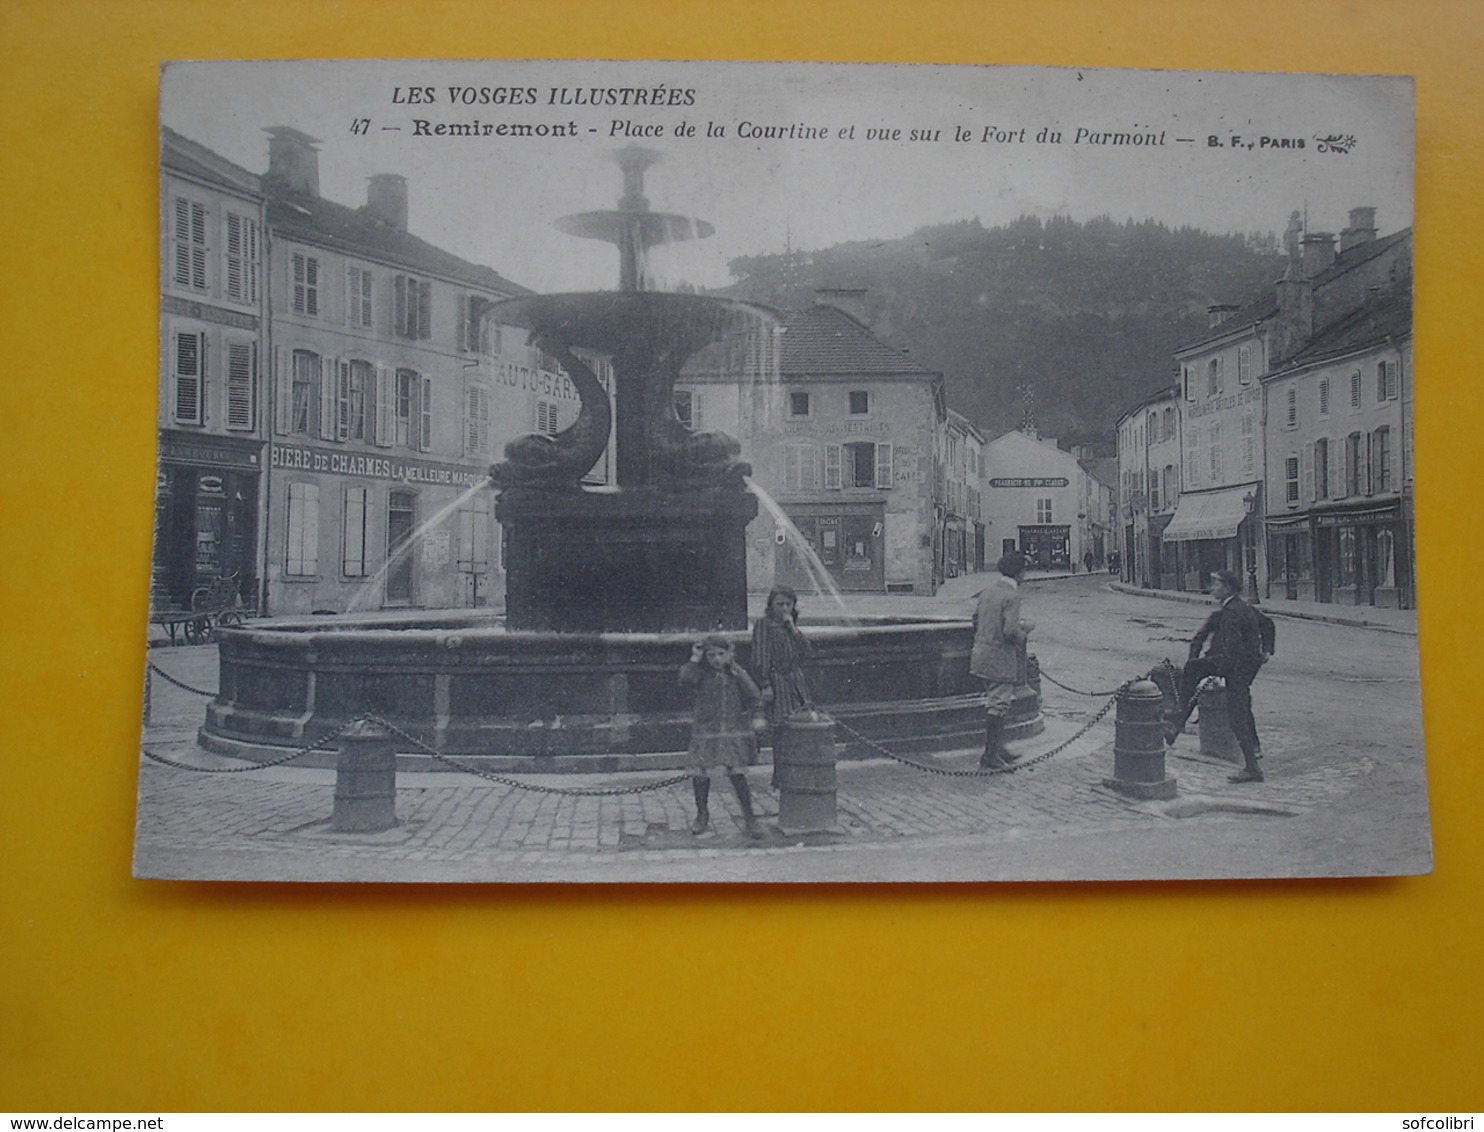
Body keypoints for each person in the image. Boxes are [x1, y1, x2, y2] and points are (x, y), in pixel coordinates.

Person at [1163, 568, 1268, 783]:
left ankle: (1252, 768)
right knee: (1194, 669)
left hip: (1236, 670)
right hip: (1242, 668)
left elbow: (1231, 650)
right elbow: (1265, 627)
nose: (1213, 588)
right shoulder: (1240, 607)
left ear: (1227, 588)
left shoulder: (1231, 613)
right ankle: (1178, 721)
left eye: (1217, 584)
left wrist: (1218, 670)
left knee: (1237, 716)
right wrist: (1264, 652)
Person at [679, 634, 768, 838]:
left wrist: (758, 717)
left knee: (736, 771)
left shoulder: (736, 673)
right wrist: (695, 657)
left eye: (721, 654)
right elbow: (684, 679)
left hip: (730, 730)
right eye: (711, 655)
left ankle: (749, 818)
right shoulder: (700, 673)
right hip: (706, 731)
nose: (716, 660)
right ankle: (702, 815)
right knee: (700, 772)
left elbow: (754, 696)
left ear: (730, 654)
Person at [970, 551, 1034, 770]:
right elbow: (1010, 631)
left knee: (995, 702)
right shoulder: (1012, 596)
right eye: (1024, 572)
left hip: (980, 654)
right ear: (1019, 573)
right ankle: (990, 755)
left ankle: (999, 749)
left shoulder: (987, 592)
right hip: (999, 658)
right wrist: (1024, 632)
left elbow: (975, 620)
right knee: (999, 705)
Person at [750, 585, 813, 786]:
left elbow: (807, 651)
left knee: (801, 726)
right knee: (782, 730)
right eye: (780, 604)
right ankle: (782, 776)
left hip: (796, 682)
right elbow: (760, 656)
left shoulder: (791, 625)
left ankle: (798, 772)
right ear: (771, 605)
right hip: (778, 682)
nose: (784, 608)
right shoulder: (764, 624)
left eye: (788, 604)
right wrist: (765, 683)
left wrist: (793, 628)